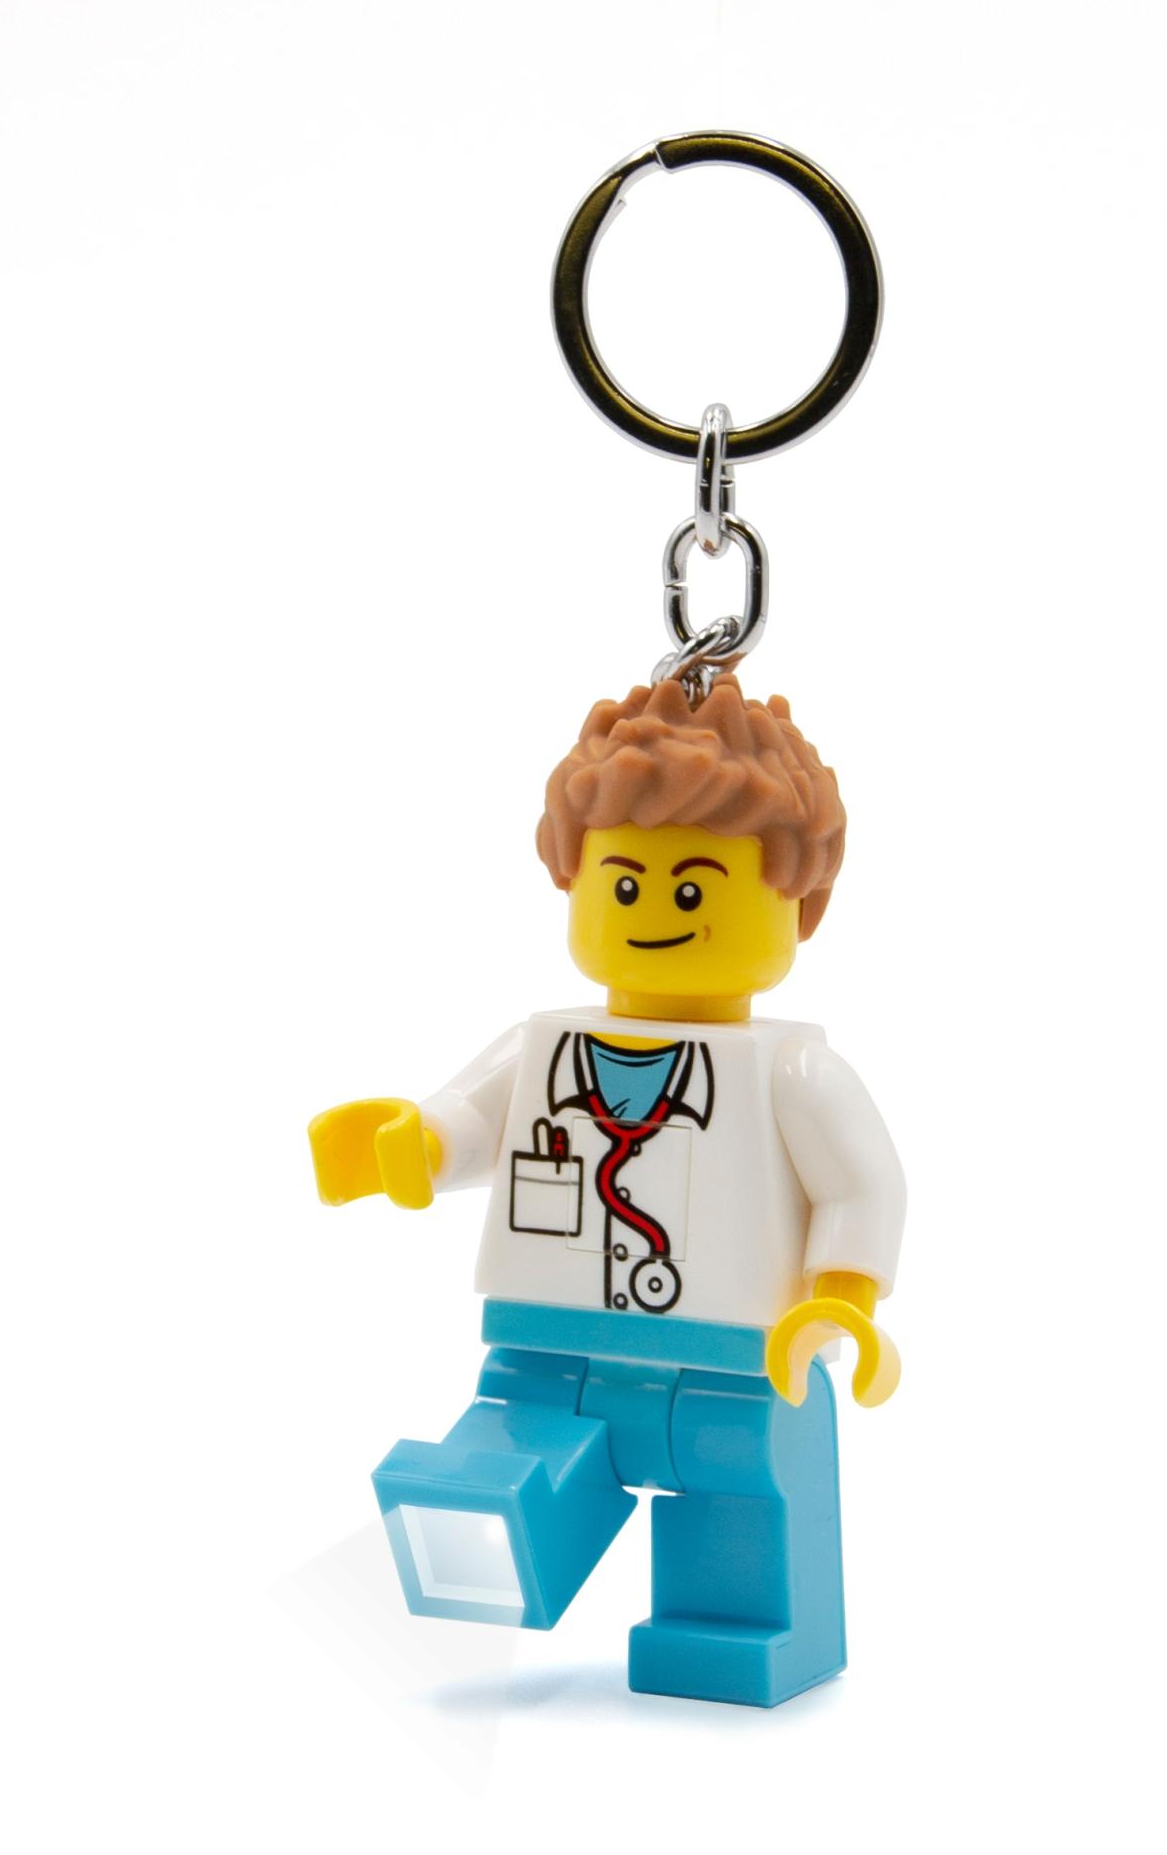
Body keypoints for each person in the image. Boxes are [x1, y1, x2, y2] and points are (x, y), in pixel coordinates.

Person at [308, 675, 906, 1706]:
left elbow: (862, 1184)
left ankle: (731, 1627)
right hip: (548, 1349)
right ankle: (503, 1563)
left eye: (694, 891)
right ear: (574, 880)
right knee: (505, 1480)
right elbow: (469, 1123)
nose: (656, 913)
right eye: (625, 886)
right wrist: (406, 1147)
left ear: (798, 905)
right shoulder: (545, 1046)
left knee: (737, 1491)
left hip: (734, 1361)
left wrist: (840, 1297)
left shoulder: (791, 1074)